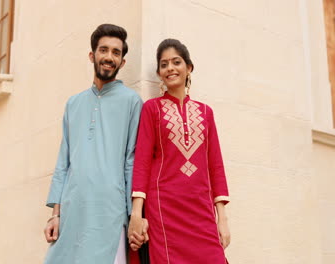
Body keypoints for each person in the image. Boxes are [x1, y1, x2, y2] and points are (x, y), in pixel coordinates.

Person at [43, 24, 144, 264]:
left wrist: (134, 216)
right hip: (72, 210)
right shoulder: (73, 104)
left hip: (110, 212)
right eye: (104, 50)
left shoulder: (132, 102)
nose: (109, 57)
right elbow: (63, 162)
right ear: (92, 55)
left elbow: (132, 160)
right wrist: (55, 214)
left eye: (116, 53)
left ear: (122, 62)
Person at [128, 39, 231, 264]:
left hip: (200, 208)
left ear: (189, 67)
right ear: (159, 73)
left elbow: (215, 165)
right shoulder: (151, 109)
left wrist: (221, 219)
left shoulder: (206, 113)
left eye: (176, 62)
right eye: (164, 65)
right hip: (164, 208)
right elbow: (142, 162)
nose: (170, 68)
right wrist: (137, 213)